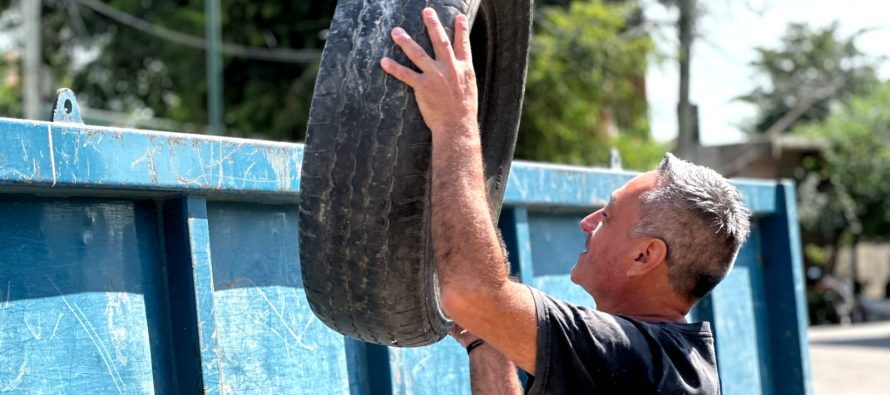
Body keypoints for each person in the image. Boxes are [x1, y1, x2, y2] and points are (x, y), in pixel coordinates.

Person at [380, 8, 751, 394]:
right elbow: (477, 300)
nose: (587, 222)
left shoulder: (633, 356)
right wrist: (487, 341)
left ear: (645, 256)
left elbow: (472, 292)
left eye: (607, 216)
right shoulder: (661, 365)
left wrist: (456, 124)